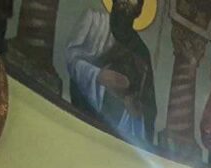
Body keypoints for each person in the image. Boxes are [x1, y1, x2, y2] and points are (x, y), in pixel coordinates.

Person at [65, 0, 157, 145]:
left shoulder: (141, 51)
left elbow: (148, 103)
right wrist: (98, 75)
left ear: (138, 11)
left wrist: (137, 111)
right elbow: (71, 57)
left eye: (130, 6)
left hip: (120, 132)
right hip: (84, 115)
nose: (124, 8)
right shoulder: (94, 21)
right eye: (121, 3)